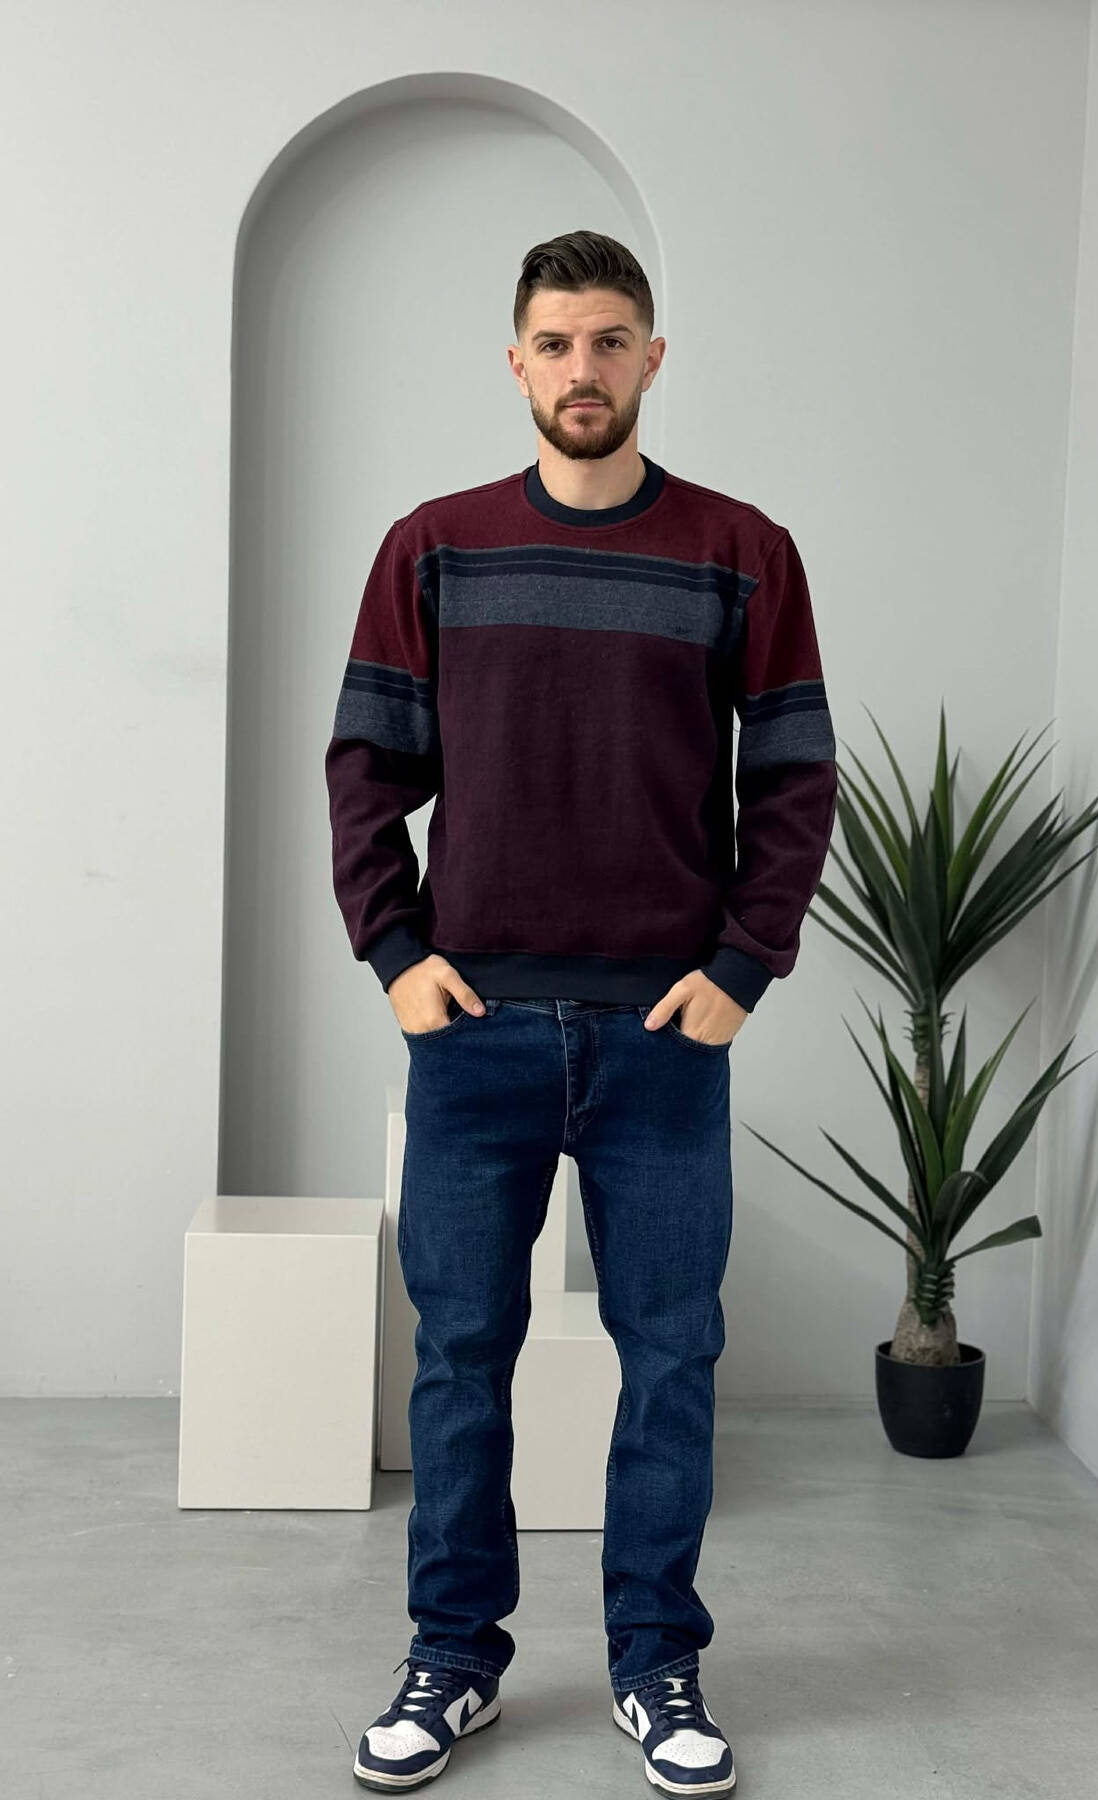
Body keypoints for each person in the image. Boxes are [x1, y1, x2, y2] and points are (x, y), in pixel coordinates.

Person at [326, 229, 837, 1795]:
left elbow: (796, 776)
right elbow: (365, 764)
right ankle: (452, 1658)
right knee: (460, 1361)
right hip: (472, 1031)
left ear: (654, 357)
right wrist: (394, 950)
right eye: (555, 342)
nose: (583, 369)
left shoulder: (741, 552)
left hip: (662, 1041)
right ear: (516, 362)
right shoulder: (435, 548)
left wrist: (742, 969)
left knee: (670, 1360)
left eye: (611, 340)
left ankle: (656, 1666)